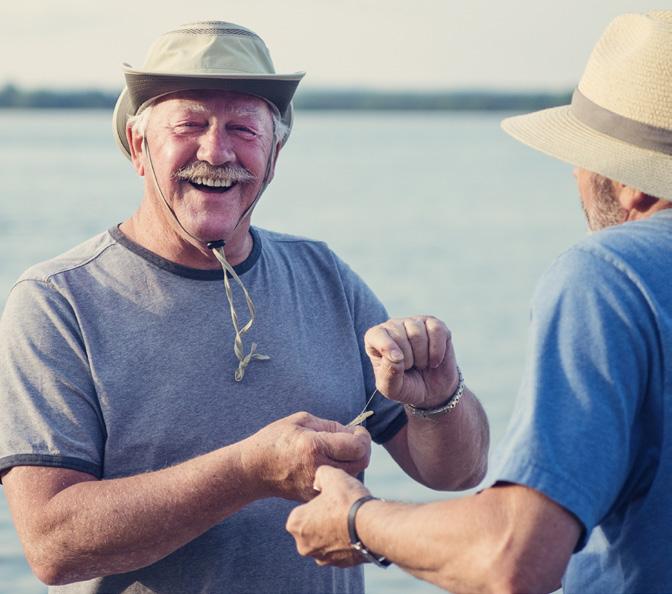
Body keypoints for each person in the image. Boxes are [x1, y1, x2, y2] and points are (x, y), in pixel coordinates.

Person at [0, 21, 489, 594]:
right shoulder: (58, 301)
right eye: (189, 125)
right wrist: (248, 471)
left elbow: (455, 472)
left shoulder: (324, 275)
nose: (216, 151)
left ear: (275, 151)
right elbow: (53, 546)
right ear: (138, 146)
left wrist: (439, 400)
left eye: (242, 128)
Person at [287, 10, 672, 594]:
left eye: (582, 153)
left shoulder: (612, 273)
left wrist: (357, 519)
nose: (573, 173)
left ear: (632, 181)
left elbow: (514, 559)